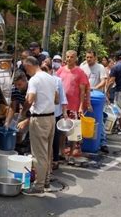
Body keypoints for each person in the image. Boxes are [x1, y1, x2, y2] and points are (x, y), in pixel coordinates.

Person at [17, 56, 58, 196]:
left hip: (39, 120)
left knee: (39, 154)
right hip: (51, 118)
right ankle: (45, 181)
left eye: (25, 67)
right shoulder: (50, 78)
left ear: (29, 65)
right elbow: (57, 98)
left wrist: (23, 113)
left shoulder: (34, 79)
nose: (25, 70)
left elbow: (30, 99)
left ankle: (38, 186)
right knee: (47, 152)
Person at [56, 50, 91, 156]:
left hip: (74, 106)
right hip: (62, 106)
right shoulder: (60, 70)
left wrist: (81, 106)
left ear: (76, 58)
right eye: (67, 57)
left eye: (71, 57)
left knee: (73, 132)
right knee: (61, 131)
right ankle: (61, 152)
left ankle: (71, 154)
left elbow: (83, 91)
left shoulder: (80, 72)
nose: (69, 59)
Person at [80, 50, 109, 153]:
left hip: (96, 98)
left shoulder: (100, 67)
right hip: (84, 98)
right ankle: (83, 141)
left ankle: (103, 142)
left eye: (90, 57)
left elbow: (104, 81)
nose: (88, 59)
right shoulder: (83, 67)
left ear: (95, 58)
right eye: (87, 57)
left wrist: (94, 88)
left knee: (98, 120)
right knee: (84, 119)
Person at [40, 63, 67, 170]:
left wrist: (64, 113)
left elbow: (62, 98)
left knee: (55, 137)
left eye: (45, 69)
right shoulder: (38, 80)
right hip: (42, 114)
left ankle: (55, 159)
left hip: (55, 114)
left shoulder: (57, 81)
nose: (43, 72)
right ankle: (45, 161)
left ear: (51, 70)